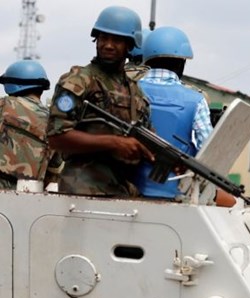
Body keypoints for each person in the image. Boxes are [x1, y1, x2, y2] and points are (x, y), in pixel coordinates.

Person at [47, 5, 154, 196]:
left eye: (117, 40)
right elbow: (57, 137)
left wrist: (171, 161)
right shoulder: (79, 81)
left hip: (123, 192)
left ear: (130, 45)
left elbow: (146, 142)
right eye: (103, 38)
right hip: (82, 192)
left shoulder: (137, 94)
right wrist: (114, 143)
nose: (108, 45)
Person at [134, 26, 213, 199]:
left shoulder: (129, 91)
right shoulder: (196, 100)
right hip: (175, 194)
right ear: (181, 63)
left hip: (126, 188)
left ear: (146, 58)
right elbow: (208, 152)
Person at [0, 60, 61, 189]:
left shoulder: (4, 105)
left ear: (9, 84)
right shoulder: (54, 122)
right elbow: (54, 173)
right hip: (27, 199)